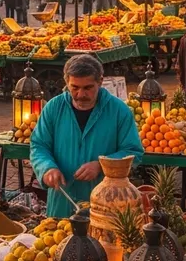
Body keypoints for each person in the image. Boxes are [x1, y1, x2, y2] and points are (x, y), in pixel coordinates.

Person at [29, 54, 143, 217]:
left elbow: (133, 152)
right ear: (66, 82)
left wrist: (101, 165)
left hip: (105, 204)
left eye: (88, 88)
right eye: (74, 87)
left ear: (100, 81)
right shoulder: (53, 108)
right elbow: (39, 145)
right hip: (62, 201)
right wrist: (47, 168)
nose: (81, 94)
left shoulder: (119, 111)